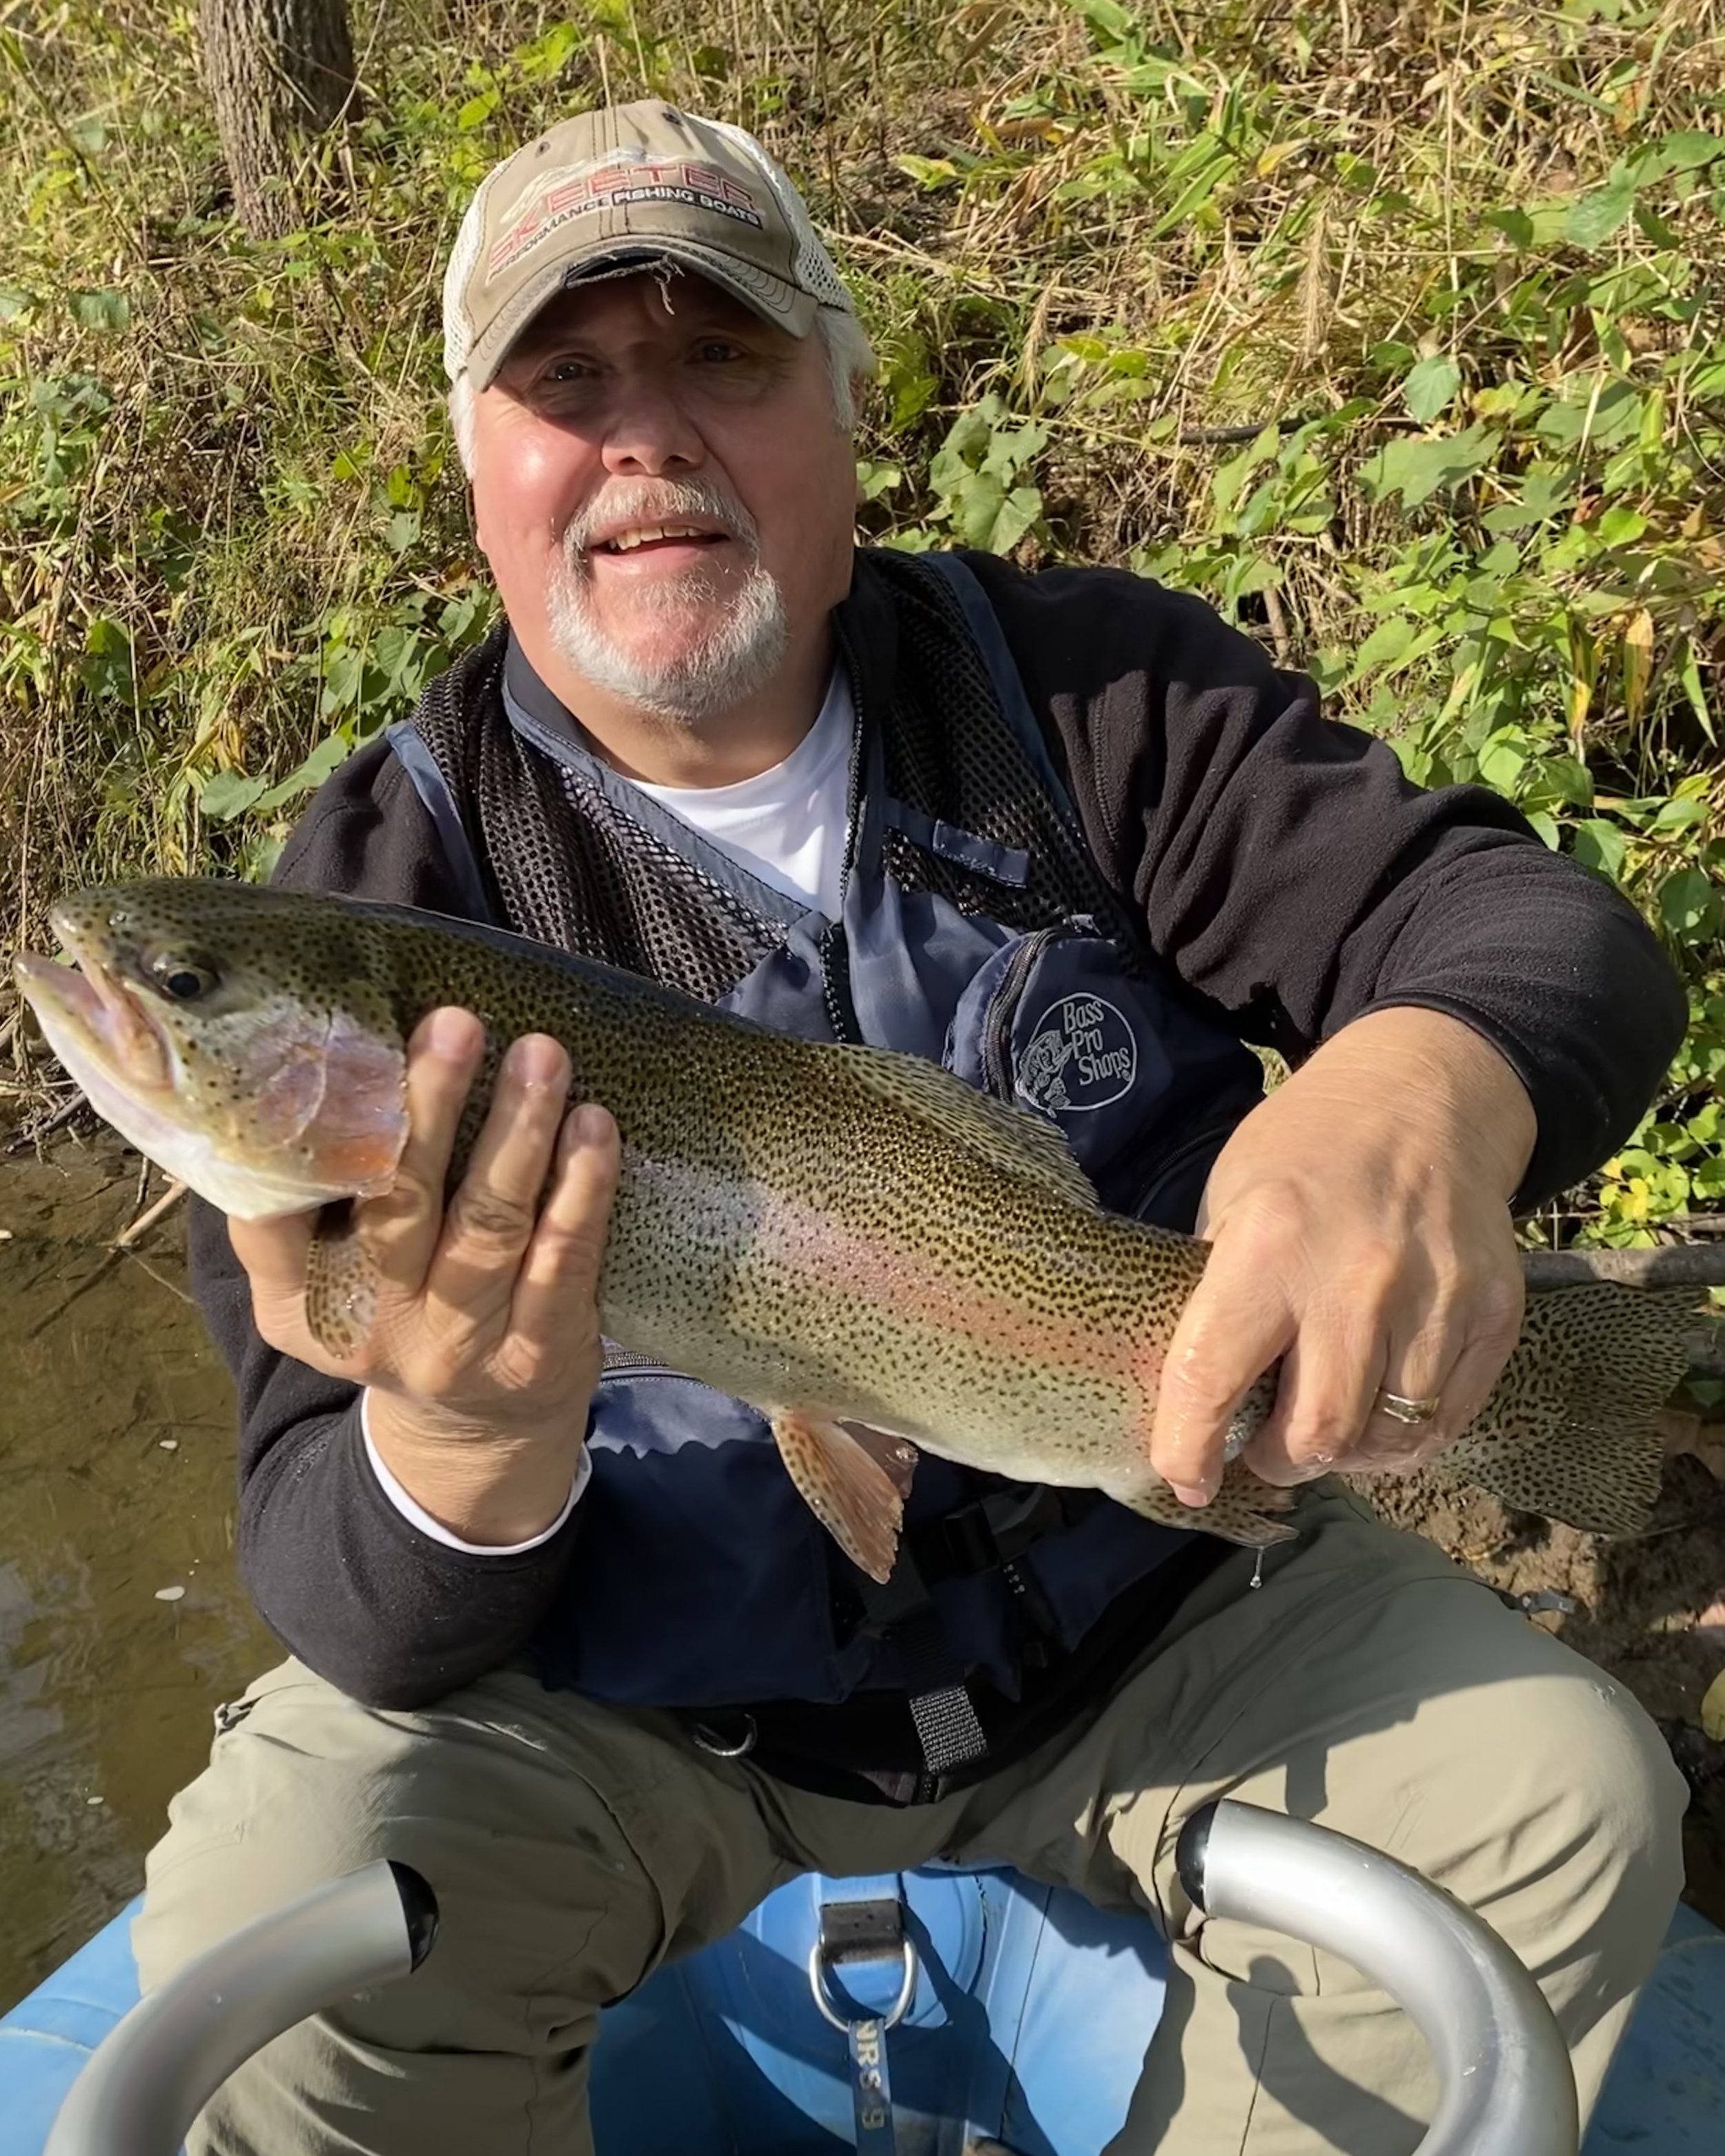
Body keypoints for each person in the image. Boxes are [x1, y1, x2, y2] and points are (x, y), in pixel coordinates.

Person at [135, 100, 1690, 2155]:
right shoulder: (371, 888)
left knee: (1562, 1805)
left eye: (724, 355)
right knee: (266, 1946)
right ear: (480, 463)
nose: (647, 433)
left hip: (1159, 1617)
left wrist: (1415, 1093)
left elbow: (1529, 928)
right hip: (626, 1712)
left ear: (851, 404)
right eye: (568, 379)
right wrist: (460, 1446)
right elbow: (343, 1600)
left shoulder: (1089, 699)